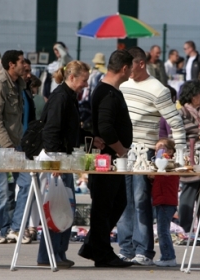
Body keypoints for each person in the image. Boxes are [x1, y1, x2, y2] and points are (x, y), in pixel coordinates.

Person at [118, 46, 186, 265]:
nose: (126, 69)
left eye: (130, 65)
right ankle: (125, 248)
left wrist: (181, 154)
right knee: (124, 201)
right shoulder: (123, 85)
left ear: (141, 64)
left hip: (145, 151)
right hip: (123, 150)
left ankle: (144, 251)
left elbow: (176, 123)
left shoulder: (158, 89)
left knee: (140, 200)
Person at [77, 50, 133, 268]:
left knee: (116, 202)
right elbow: (106, 128)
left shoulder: (110, 91)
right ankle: (101, 251)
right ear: (125, 68)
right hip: (106, 158)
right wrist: (121, 150)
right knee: (105, 204)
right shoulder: (107, 94)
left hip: (110, 157)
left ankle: (94, 244)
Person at [37, 60, 90, 268]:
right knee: (58, 208)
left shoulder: (68, 96)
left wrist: (90, 138)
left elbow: (70, 129)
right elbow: (51, 131)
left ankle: (58, 252)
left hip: (63, 159)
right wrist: (55, 162)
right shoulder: (61, 97)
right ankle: (48, 254)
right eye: (84, 80)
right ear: (72, 77)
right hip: (56, 161)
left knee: (65, 208)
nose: (85, 84)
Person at [0, 50, 31, 244]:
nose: (23, 65)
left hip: (15, 143)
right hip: (1, 144)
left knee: (26, 183)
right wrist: (8, 145)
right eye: (20, 62)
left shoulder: (18, 84)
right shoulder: (0, 84)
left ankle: (16, 228)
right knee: (1, 188)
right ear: (11, 65)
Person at [178, 80, 200, 236]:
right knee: (189, 191)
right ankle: (184, 230)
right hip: (190, 158)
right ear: (192, 96)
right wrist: (199, 137)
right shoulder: (182, 113)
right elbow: (180, 134)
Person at [152, 138, 179, 267]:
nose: (158, 151)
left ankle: (168, 256)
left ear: (170, 150)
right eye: (157, 148)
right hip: (162, 199)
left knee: (163, 230)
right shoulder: (161, 164)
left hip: (166, 200)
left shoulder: (170, 164)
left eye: (161, 148)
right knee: (163, 229)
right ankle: (167, 255)